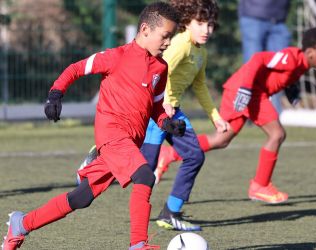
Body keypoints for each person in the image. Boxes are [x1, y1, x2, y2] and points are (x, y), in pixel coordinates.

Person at [1, 2, 183, 250]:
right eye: (165, 36)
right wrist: (55, 94)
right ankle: (138, 244)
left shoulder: (161, 68)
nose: (168, 43)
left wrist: (167, 124)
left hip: (129, 143)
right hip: (112, 135)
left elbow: (156, 107)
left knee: (81, 198)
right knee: (144, 176)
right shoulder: (116, 56)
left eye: (171, 37)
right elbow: (76, 69)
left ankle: (21, 225)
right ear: (145, 29)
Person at [76, 0, 228, 232]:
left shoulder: (200, 53)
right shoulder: (178, 45)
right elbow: (156, 72)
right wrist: (162, 103)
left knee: (194, 156)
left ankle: (170, 213)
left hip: (173, 112)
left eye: (211, 25)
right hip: (157, 112)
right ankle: (96, 163)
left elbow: (200, 86)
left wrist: (214, 116)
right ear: (187, 23)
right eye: (201, 24)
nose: (207, 30)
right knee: (142, 169)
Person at [156, 27, 316, 204]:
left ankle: (170, 153)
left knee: (221, 140)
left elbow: (279, 74)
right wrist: (246, 89)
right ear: (310, 52)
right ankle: (260, 186)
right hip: (248, 92)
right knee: (277, 134)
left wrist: (290, 87)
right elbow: (259, 59)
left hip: (245, 91)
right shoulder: (291, 58)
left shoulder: (301, 64)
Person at [238, 0, 293, 114]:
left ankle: (273, 117)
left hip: (279, 18)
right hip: (253, 15)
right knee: (252, 70)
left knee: (279, 71)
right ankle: (246, 113)